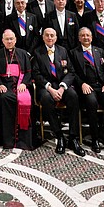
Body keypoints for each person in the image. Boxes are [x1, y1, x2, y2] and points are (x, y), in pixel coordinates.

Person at [33, 27, 84, 156]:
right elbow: (36, 74)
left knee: (73, 96)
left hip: (62, 85)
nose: (50, 38)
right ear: (43, 37)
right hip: (46, 87)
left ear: (56, 38)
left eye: (52, 35)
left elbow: (71, 72)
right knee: (46, 99)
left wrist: (61, 88)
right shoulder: (37, 52)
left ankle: (73, 137)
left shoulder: (63, 51)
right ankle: (59, 135)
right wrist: (50, 88)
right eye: (47, 35)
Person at [69, 27, 104, 153]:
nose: (86, 37)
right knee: (91, 103)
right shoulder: (73, 52)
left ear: (91, 37)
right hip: (87, 86)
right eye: (83, 35)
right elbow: (73, 72)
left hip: (102, 85)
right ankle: (95, 139)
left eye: (88, 35)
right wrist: (82, 84)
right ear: (79, 38)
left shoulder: (100, 51)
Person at [0, 29, 34, 150]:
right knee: (5, 98)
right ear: (2, 41)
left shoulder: (23, 54)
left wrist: (25, 84)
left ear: (15, 40)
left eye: (11, 39)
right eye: (7, 39)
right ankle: (8, 140)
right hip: (5, 86)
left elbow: (29, 73)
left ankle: (23, 140)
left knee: (25, 99)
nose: (9, 41)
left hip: (20, 86)